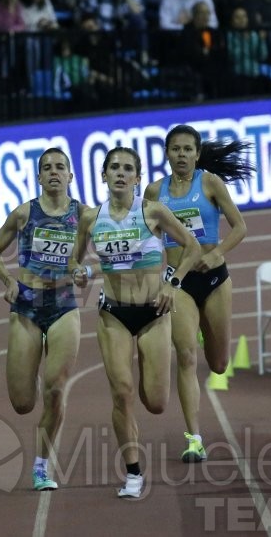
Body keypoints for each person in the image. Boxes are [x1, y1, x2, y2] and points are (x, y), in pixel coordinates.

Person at [68, 146, 201, 499]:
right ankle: (132, 473)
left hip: (153, 314)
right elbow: (74, 261)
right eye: (114, 168)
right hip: (114, 314)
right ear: (104, 175)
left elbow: (192, 247)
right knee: (121, 393)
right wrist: (80, 273)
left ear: (138, 178)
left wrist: (173, 283)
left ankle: (145, 375)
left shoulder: (153, 211)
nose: (121, 173)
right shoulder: (91, 218)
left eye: (128, 168)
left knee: (155, 402)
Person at [144, 124, 255, 463]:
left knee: (219, 364)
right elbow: (145, 236)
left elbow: (240, 226)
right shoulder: (154, 191)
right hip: (178, 282)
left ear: (197, 153)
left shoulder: (209, 183)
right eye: (175, 149)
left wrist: (218, 252)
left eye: (187, 149)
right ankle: (194, 439)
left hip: (215, 281)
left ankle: (208, 332)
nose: (181, 155)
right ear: (166, 154)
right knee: (187, 357)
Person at [0, 148, 87, 491]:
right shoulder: (24, 213)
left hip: (63, 305)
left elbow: (112, 242)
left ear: (71, 176)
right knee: (23, 402)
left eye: (60, 167)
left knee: (56, 388)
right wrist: (8, 281)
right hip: (27, 305)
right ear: (40, 177)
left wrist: (86, 271)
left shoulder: (83, 215)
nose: (54, 172)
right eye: (47, 168)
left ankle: (42, 465)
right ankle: (41, 413)